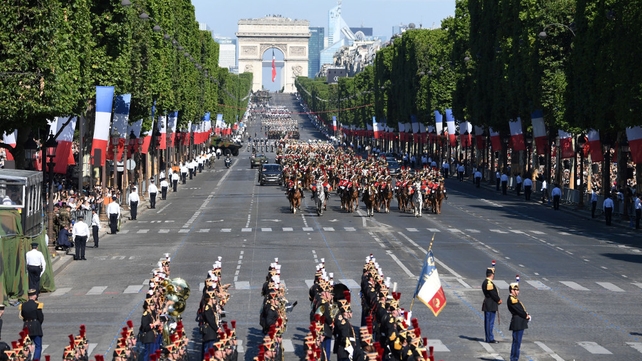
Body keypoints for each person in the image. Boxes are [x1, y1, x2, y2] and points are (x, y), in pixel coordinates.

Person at [507, 283, 530, 361]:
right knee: (517, 342)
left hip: (519, 322)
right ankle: (514, 358)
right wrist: (526, 315)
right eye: (516, 290)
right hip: (517, 322)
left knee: (517, 342)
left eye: (518, 290)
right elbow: (519, 310)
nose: (517, 292)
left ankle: (514, 358)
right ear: (512, 290)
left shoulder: (514, 299)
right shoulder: (512, 300)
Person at [19, 289, 44, 361]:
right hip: (35, 325)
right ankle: (36, 359)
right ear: (35, 295)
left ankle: (26, 358)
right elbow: (40, 317)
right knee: (38, 346)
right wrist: (38, 324)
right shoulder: (37, 305)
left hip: (26, 326)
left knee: (26, 345)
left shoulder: (23, 305)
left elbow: (23, 316)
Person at [482, 266, 501, 343]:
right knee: (490, 322)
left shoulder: (486, 282)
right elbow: (492, 294)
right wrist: (498, 300)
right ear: (491, 274)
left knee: (488, 322)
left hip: (489, 304)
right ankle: (490, 338)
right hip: (490, 304)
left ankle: (488, 337)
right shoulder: (488, 283)